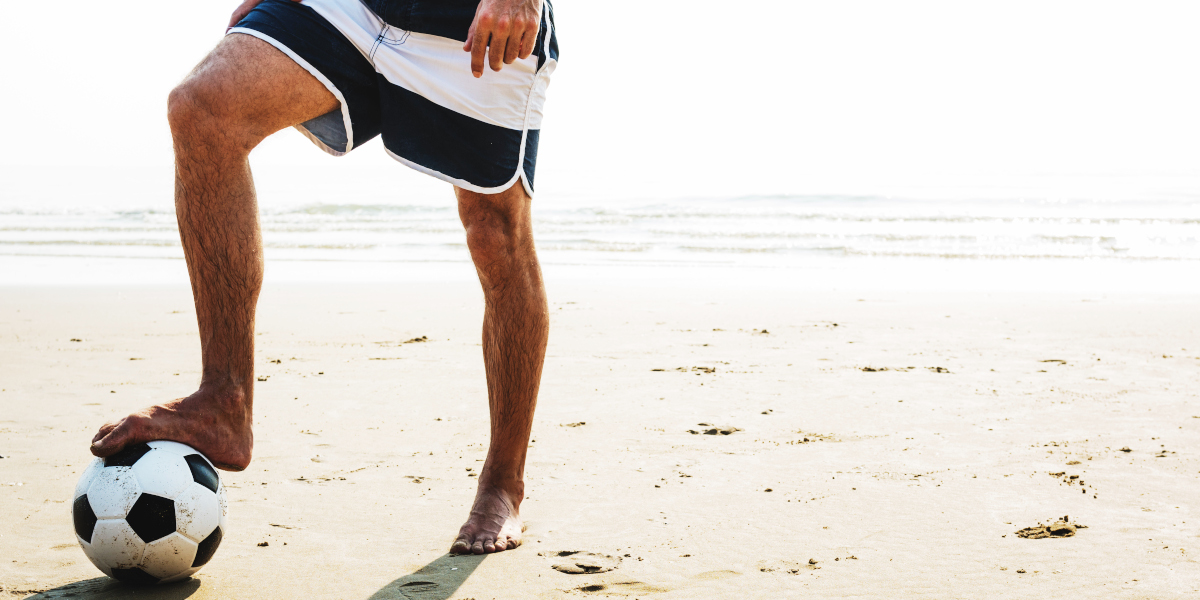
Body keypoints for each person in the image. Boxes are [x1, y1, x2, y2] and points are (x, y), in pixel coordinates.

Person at [88, 0, 558, 555]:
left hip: (470, 22)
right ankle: (224, 400)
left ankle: (504, 481)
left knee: (495, 231)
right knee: (203, 106)